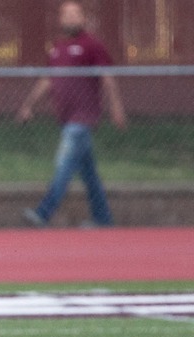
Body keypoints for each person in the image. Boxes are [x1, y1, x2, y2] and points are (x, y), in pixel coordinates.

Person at [17, 0, 127, 228]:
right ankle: (103, 218)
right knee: (90, 175)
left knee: (64, 164)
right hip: (66, 118)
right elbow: (47, 80)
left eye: (75, 14)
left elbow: (107, 78)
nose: (71, 18)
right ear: (60, 19)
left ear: (83, 18)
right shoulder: (57, 48)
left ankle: (43, 213)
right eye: (67, 15)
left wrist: (116, 107)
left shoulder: (92, 45)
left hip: (82, 119)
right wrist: (29, 105)